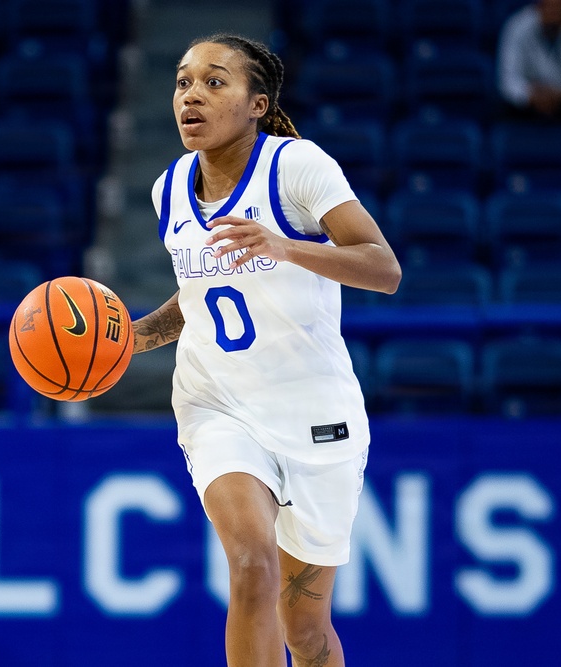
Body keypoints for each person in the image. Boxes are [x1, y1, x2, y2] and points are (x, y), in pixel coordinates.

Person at [130, 34, 401, 667]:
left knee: (305, 630)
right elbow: (199, 293)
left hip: (315, 414)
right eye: (182, 81)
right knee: (249, 563)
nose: (191, 94)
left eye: (214, 81)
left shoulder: (298, 166)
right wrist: (137, 337)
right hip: (216, 403)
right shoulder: (167, 188)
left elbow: (383, 268)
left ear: (258, 103)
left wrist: (284, 246)